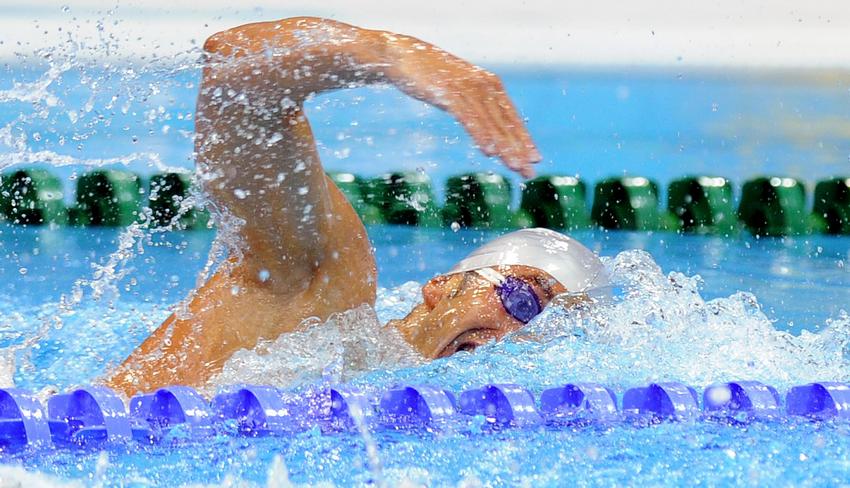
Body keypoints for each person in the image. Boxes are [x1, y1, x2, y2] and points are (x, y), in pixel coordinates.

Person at [104, 17, 606, 397]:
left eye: (549, 334)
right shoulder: (321, 298)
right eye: (525, 300)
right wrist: (387, 52)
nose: (518, 336)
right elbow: (235, 77)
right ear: (441, 288)